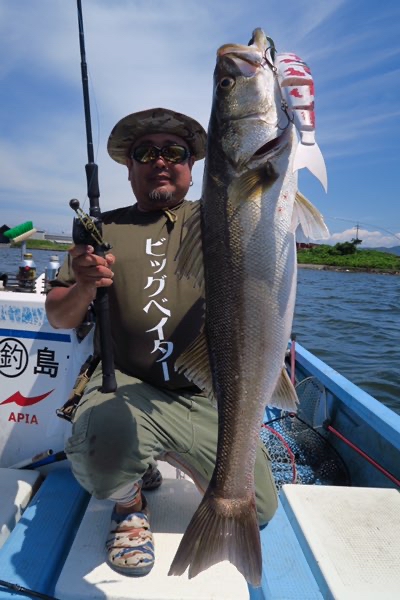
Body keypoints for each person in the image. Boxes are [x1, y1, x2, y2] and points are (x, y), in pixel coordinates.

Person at [45, 107, 278, 578]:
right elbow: (57, 315)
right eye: (144, 153)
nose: (160, 161)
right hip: (126, 385)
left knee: (255, 507)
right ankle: (130, 502)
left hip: (208, 393)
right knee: (102, 449)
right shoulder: (101, 230)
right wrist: (86, 284)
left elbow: (266, 187)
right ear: (128, 169)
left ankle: (160, 452)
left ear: (193, 166)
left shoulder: (224, 218)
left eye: (174, 151)